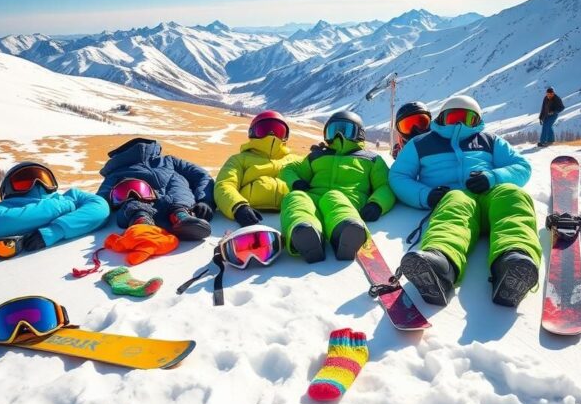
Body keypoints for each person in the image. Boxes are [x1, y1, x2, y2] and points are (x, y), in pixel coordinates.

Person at [389, 95, 541, 308]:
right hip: (452, 197)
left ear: (477, 121)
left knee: (512, 196)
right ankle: (441, 264)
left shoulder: (489, 140)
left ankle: (514, 262)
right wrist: (425, 195)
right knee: (455, 202)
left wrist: (493, 177)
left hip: (490, 196)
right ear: (442, 118)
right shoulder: (421, 144)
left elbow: (521, 166)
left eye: (468, 118)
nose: (460, 124)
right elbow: (398, 176)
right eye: (454, 117)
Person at [280, 111, 395, 262]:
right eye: (333, 131)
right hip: (314, 200)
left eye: (345, 130)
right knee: (294, 197)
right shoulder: (318, 155)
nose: (338, 135)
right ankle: (304, 232)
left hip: (347, 201)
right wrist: (296, 182)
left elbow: (385, 185)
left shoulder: (371, 159)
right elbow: (288, 169)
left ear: (358, 133)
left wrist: (377, 203)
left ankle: (346, 231)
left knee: (333, 196)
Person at [97, 138, 215, 240]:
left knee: (176, 180)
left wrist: (206, 200)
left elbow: (100, 199)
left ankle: (176, 216)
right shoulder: (117, 171)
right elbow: (201, 175)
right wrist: (205, 200)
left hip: (176, 202)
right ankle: (149, 220)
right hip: (144, 206)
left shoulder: (170, 161)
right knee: (132, 188)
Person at [0, 162, 109, 251]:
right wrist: (64, 206)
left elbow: (101, 208)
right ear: (8, 190)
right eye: (24, 182)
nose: (37, 184)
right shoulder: (4, 207)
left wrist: (53, 231)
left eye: (44, 179)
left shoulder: (71, 195)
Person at [215, 110, 301, 226]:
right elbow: (224, 184)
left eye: (278, 131)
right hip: (248, 217)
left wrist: (323, 155)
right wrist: (238, 207)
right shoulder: (239, 160)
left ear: (285, 137)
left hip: (290, 216)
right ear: (252, 133)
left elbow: (320, 178)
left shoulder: (296, 160)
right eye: (264, 130)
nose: (271, 135)